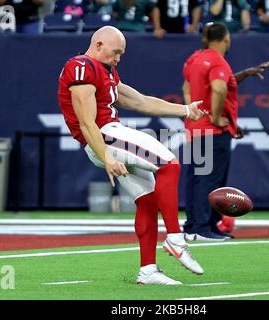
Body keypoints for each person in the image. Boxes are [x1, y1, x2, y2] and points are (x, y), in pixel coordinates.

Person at [57, 26, 208, 285]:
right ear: (99, 44)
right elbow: (86, 122)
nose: (118, 59)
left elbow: (140, 101)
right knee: (169, 163)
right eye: (115, 52)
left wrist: (185, 110)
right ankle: (175, 237)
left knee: (147, 200)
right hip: (104, 136)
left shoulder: (105, 70)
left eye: (121, 54)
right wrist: (106, 157)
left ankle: (148, 270)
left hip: (106, 138)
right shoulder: (81, 66)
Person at [182, 22, 269, 241]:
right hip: (213, 131)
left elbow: (188, 87)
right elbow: (219, 88)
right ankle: (205, 228)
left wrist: (194, 112)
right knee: (211, 180)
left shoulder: (195, 58)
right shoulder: (218, 60)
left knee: (195, 177)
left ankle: (193, 226)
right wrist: (216, 117)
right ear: (226, 39)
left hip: (195, 129)